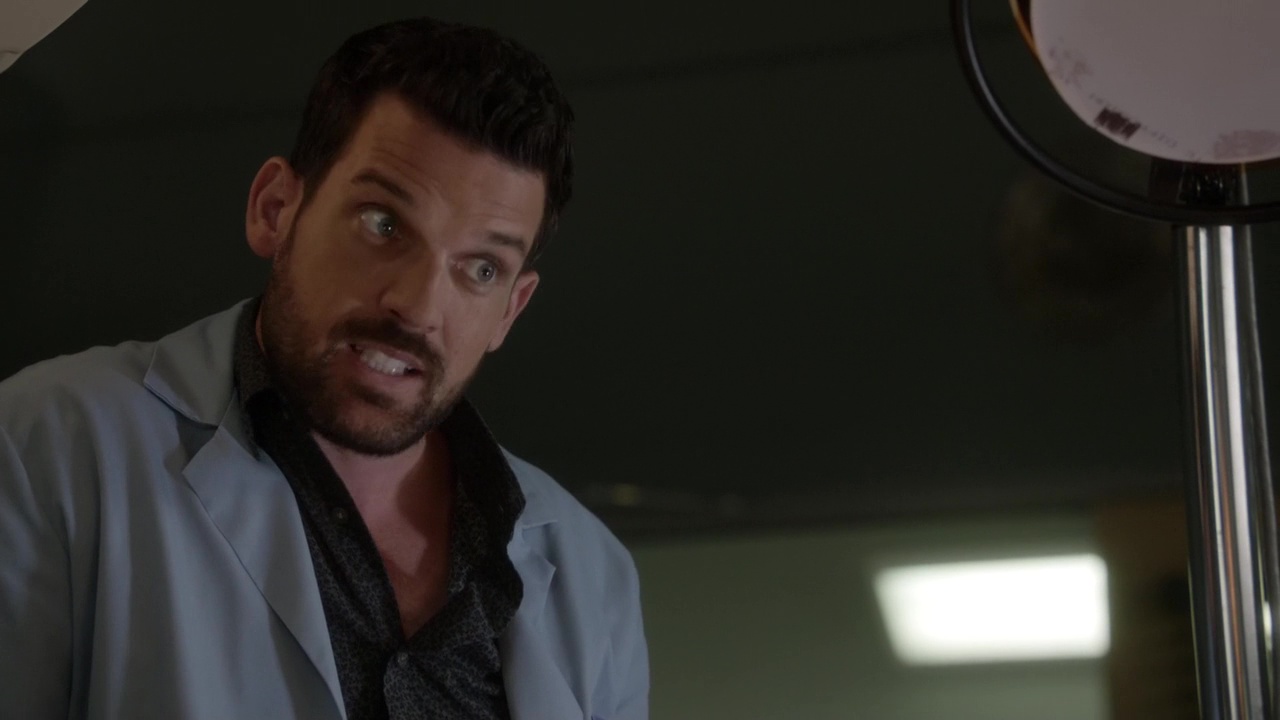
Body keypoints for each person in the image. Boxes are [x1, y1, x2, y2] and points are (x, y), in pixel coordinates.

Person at [0, 17, 648, 720]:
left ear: (510, 311)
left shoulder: (595, 575)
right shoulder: (46, 447)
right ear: (275, 210)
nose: (417, 307)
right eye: (383, 224)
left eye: (482, 268)